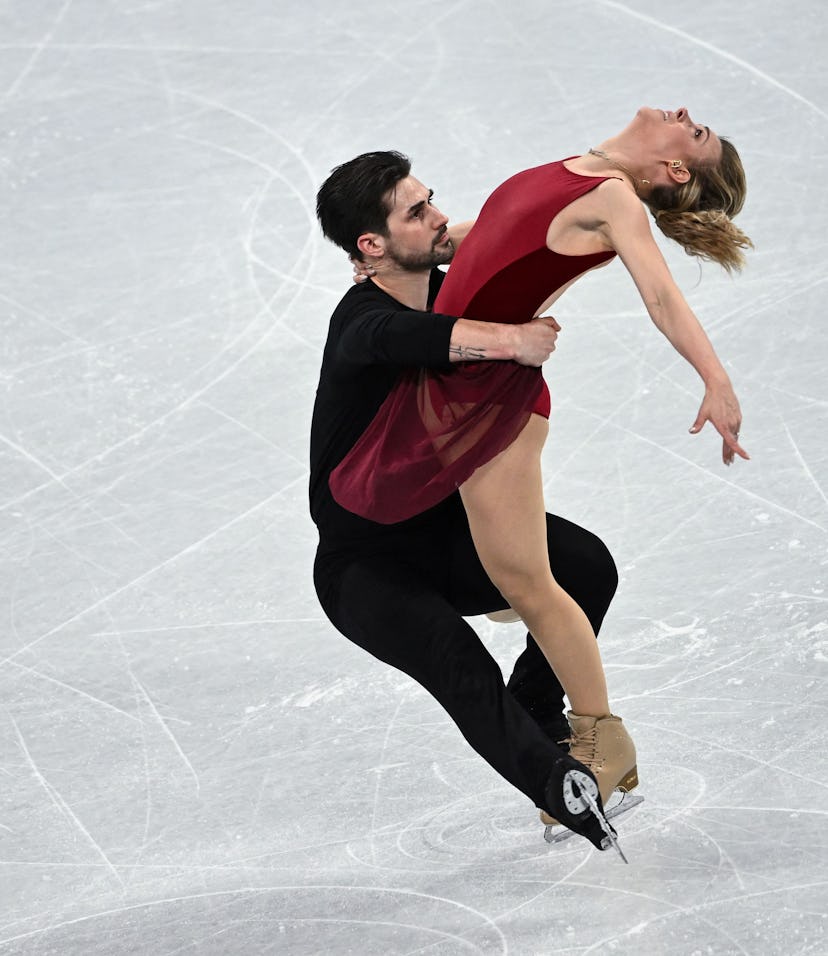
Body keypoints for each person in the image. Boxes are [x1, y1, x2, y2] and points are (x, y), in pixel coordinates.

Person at [327, 106, 752, 826]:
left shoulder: (614, 198)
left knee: (527, 581)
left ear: (676, 169)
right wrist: (405, 249)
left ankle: (600, 738)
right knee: (507, 573)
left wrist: (715, 378)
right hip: (454, 391)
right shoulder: (579, 168)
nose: (684, 114)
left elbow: (660, 294)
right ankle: (533, 661)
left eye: (698, 130)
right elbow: (491, 238)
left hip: (492, 405)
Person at [311, 150, 621, 849]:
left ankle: (535, 708)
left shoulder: (456, 289)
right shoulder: (359, 324)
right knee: (459, 662)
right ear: (373, 246)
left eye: (431, 200)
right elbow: (417, 338)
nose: (438, 216)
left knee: (585, 565)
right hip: (366, 568)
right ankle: (559, 789)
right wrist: (513, 340)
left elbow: (519, 239)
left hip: (445, 538)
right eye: (416, 213)